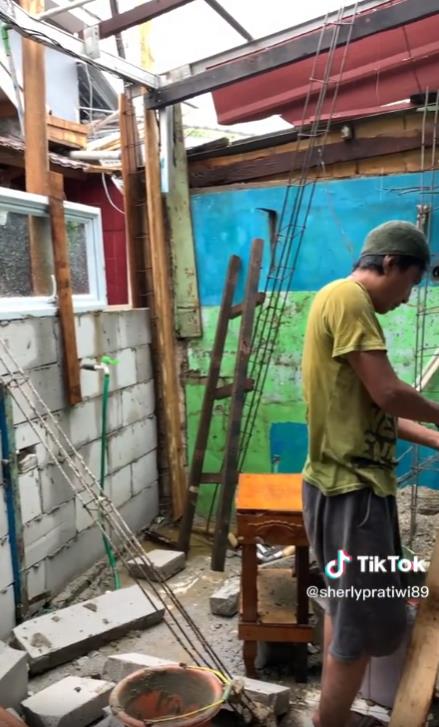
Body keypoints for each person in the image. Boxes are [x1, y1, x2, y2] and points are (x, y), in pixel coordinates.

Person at [301, 220, 439, 727]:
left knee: (347, 609)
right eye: (412, 282)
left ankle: (331, 715)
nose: (407, 298)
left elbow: (379, 411)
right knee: (358, 628)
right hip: (352, 494)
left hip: (342, 487)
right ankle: (328, 723)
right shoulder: (350, 299)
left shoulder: (336, 300)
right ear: (390, 264)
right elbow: (389, 393)